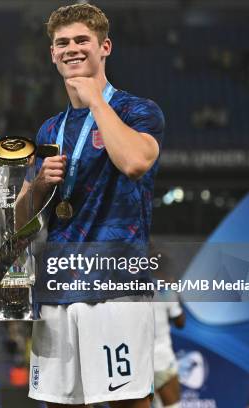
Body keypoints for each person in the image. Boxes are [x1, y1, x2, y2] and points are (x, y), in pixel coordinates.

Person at [22, 4, 165, 407]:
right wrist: (36, 186)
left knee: (127, 401)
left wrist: (96, 100)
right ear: (52, 54)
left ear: (105, 46)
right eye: (62, 43)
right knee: (58, 403)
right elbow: (22, 219)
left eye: (81, 40)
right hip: (59, 284)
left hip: (115, 284)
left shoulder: (138, 111)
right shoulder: (50, 129)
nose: (71, 49)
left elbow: (135, 162)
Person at [153, 291, 185, 408]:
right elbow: (180, 322)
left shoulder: (119, 291)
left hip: (137, 365)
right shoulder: (164, 291)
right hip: (163, 362)